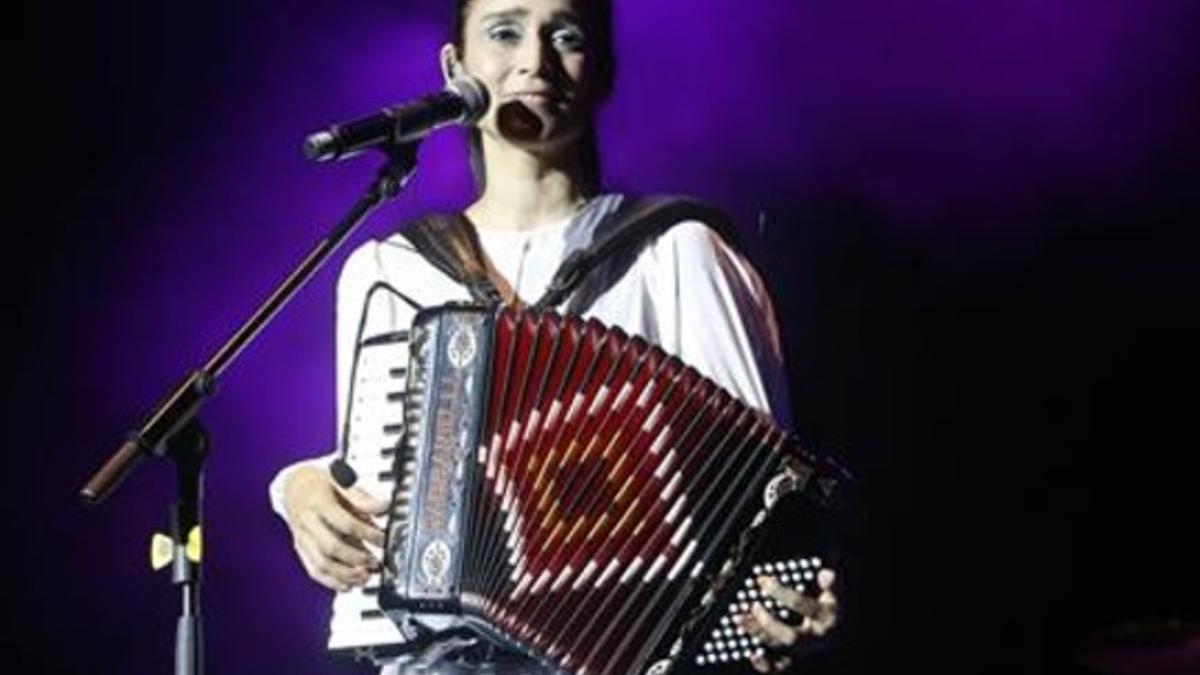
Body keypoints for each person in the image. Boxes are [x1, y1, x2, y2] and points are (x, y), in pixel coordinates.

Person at [269, 0, 838, 672]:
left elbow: (765, 491)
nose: (533, 60)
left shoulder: (679, 253)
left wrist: (787, 599)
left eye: (564, 35)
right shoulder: (388, 272)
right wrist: (296, 490)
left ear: (601, 73)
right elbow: (366, 475)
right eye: (504, 32)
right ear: (456, 66)